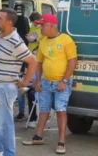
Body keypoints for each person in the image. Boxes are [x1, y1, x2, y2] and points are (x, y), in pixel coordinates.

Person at [0, 8, 37, 156]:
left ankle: (9, 153)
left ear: (9, 22)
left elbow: (33, 61)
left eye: (0, 18)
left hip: (5, 88)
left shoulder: (15, 41)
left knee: (6, 124)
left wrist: (25, 82)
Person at [22, 14, 77, 154]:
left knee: (60, 110)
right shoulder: (43, 41)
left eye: (42, 25)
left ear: (51, 25)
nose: (40, 28)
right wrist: (38, 80)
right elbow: (39, 62)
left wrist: (64, 80)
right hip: (46, 82)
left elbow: (72, 61)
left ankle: (61, 142)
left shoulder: (66, 40)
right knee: (44, 110)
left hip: (61, 83)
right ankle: (38, 137)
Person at [15, 12, 43, 122]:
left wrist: (35, 40)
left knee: (32, 91)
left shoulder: (43, 29)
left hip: (37, 58)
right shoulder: (33, 27)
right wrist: (29, 38)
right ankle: (21, 112)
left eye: (35, 22)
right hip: (29, 57)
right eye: (33, 23)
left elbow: (44, 42)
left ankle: (35, 116)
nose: (34, 24)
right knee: (21, 89)